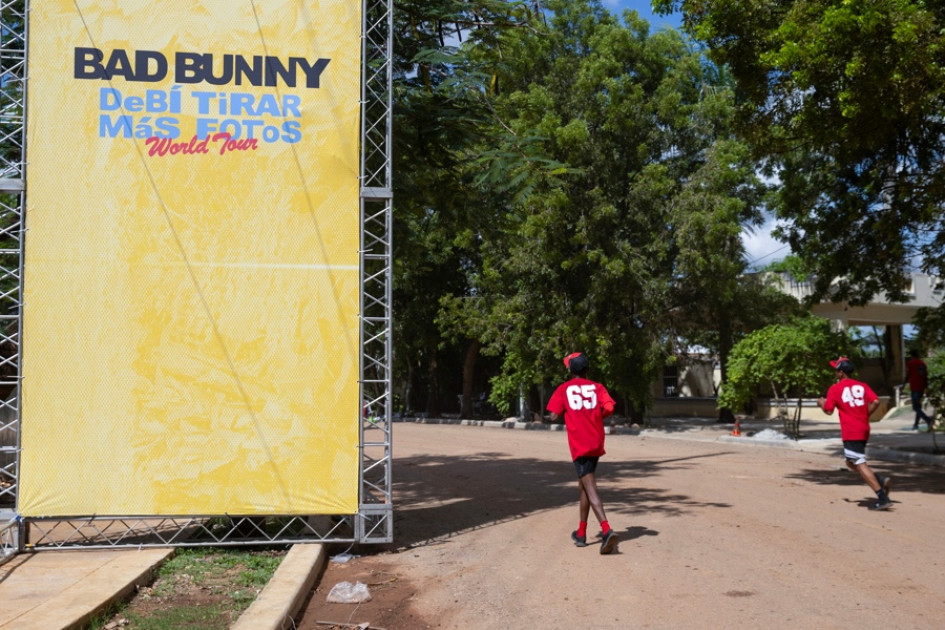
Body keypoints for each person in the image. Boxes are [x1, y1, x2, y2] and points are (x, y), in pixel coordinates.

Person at [546, 352, 620, 554]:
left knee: (589, 485)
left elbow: (553, 416)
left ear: (570, 370)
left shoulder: (564, 388)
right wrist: (596, 415)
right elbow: (610, 407)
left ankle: (606, 530)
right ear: (587, 369)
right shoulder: (597, 387)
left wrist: (561, 414)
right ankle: (581, 533)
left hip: (580, 444)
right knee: (583, 486)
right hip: (595, 441)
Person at [817, 357, 892, 511]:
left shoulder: (835, 388)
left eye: (836, 370)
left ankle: (882, 497)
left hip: (851, 430)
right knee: (851, 462)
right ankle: (879, 480)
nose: (835, 372)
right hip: (863, 428)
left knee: (858, 462)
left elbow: (829, 410)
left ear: (841, 372)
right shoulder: (862, 385)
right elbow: (876, 401)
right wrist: (865, 415)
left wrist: (821, 403)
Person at [904, 349, 933, 431]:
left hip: (915, 387)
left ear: (911, 355)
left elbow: (907, 375)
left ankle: (928, 420)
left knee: (915, 407)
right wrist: (926, 387)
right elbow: (925, 376)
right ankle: (916, 425)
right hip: (921, 387)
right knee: (918, 406)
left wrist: (903, 384)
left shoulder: (910, 363)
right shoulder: (922, 364)